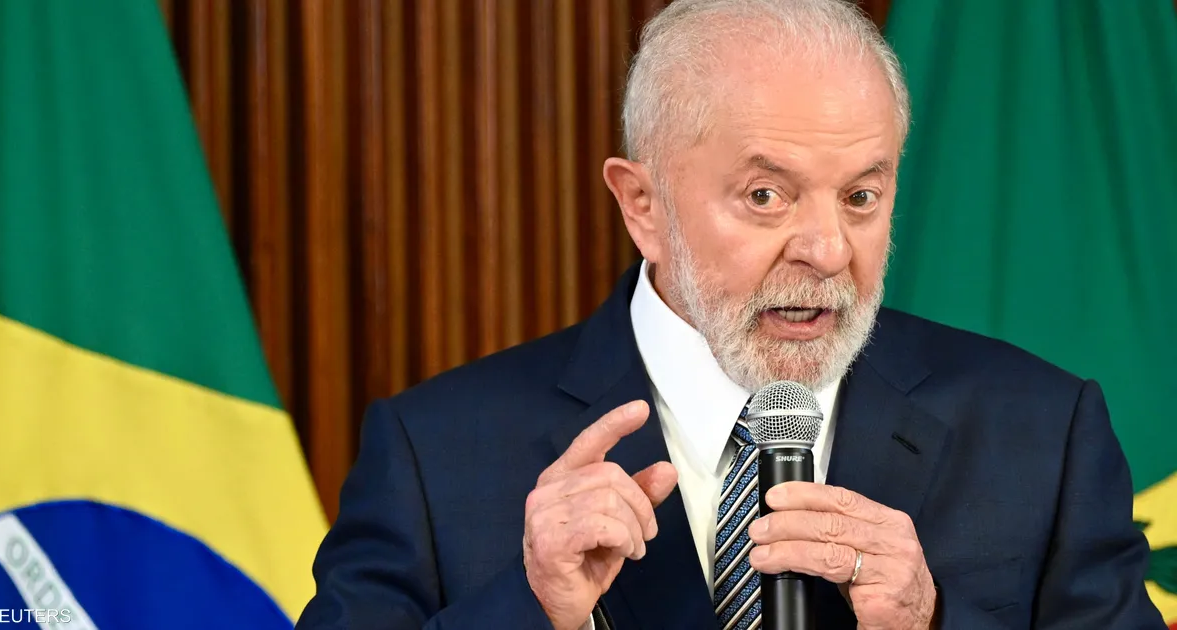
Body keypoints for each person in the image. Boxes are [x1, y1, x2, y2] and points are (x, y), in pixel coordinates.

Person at [294, 0, 1165, 628]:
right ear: (642, 206)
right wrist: (533, 609)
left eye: (861, 196)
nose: (827, 249)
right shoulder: (434, 451)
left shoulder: (1043, 431)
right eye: (764, 195)